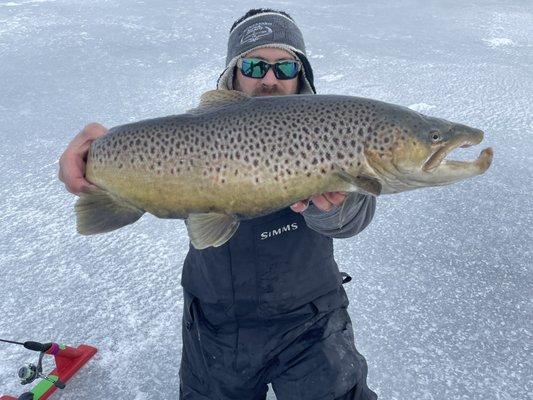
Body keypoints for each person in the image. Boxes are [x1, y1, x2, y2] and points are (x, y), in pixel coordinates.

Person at [58, 8, 378, 400]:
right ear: (234, 73)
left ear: (302, 75)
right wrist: (92, 152)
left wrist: (328, 207)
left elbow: (352, 218)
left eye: (285, 67)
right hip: (215, 322)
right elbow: (99, 161)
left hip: (311, 318)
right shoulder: (202, 137)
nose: (271, 79)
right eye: (255, 66)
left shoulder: (331, 133)